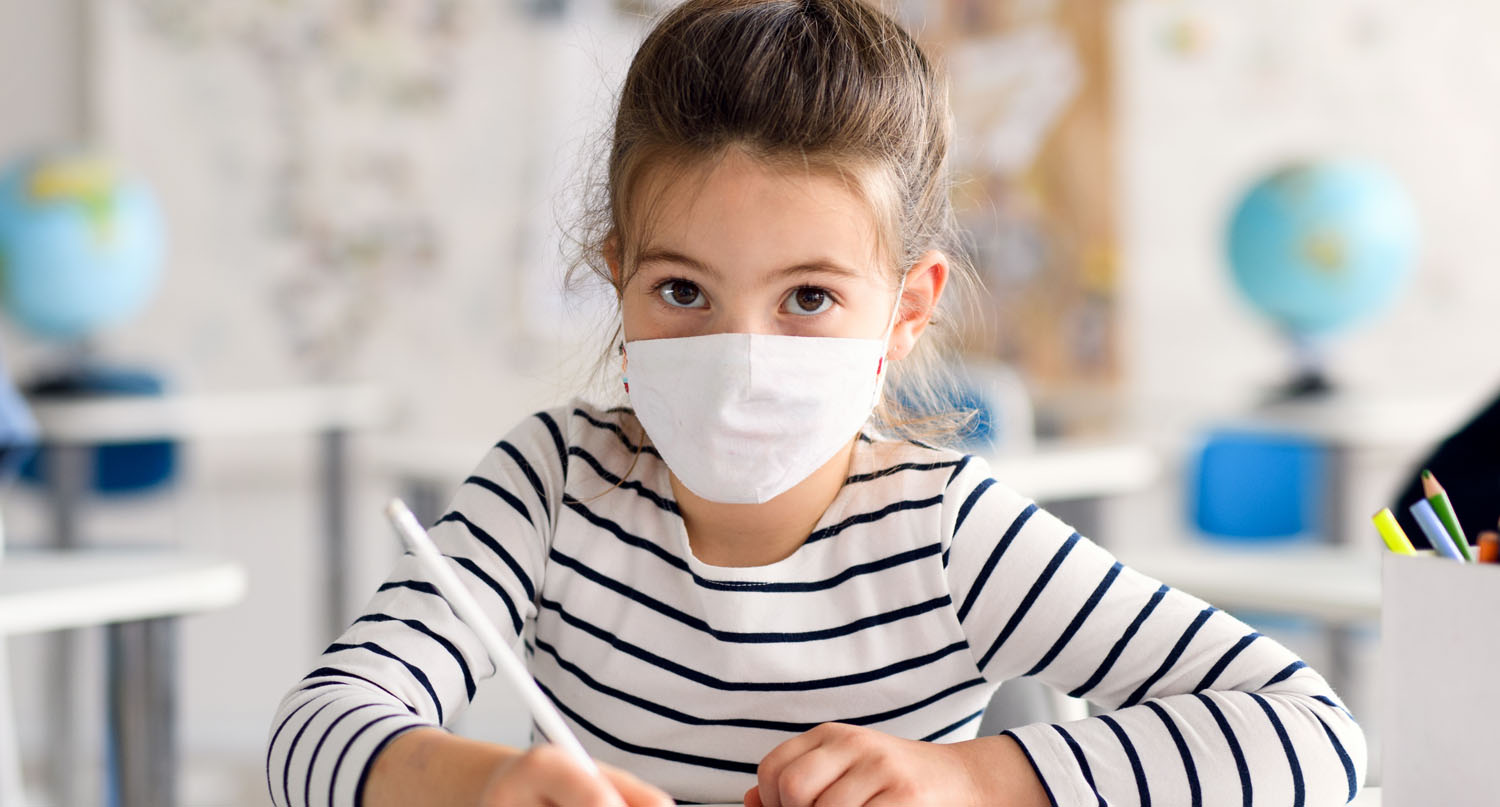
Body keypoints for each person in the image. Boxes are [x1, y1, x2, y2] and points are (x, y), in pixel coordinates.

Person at [266, 2, 1366, 805]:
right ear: (617, 277)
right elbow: (313, 733)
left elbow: (1314, 737)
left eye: (807, 297)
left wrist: (974, 779)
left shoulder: (946, 534)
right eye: (683, 290)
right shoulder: (551, 487)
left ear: (907, 310)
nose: (742, 356)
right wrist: (488, 785)